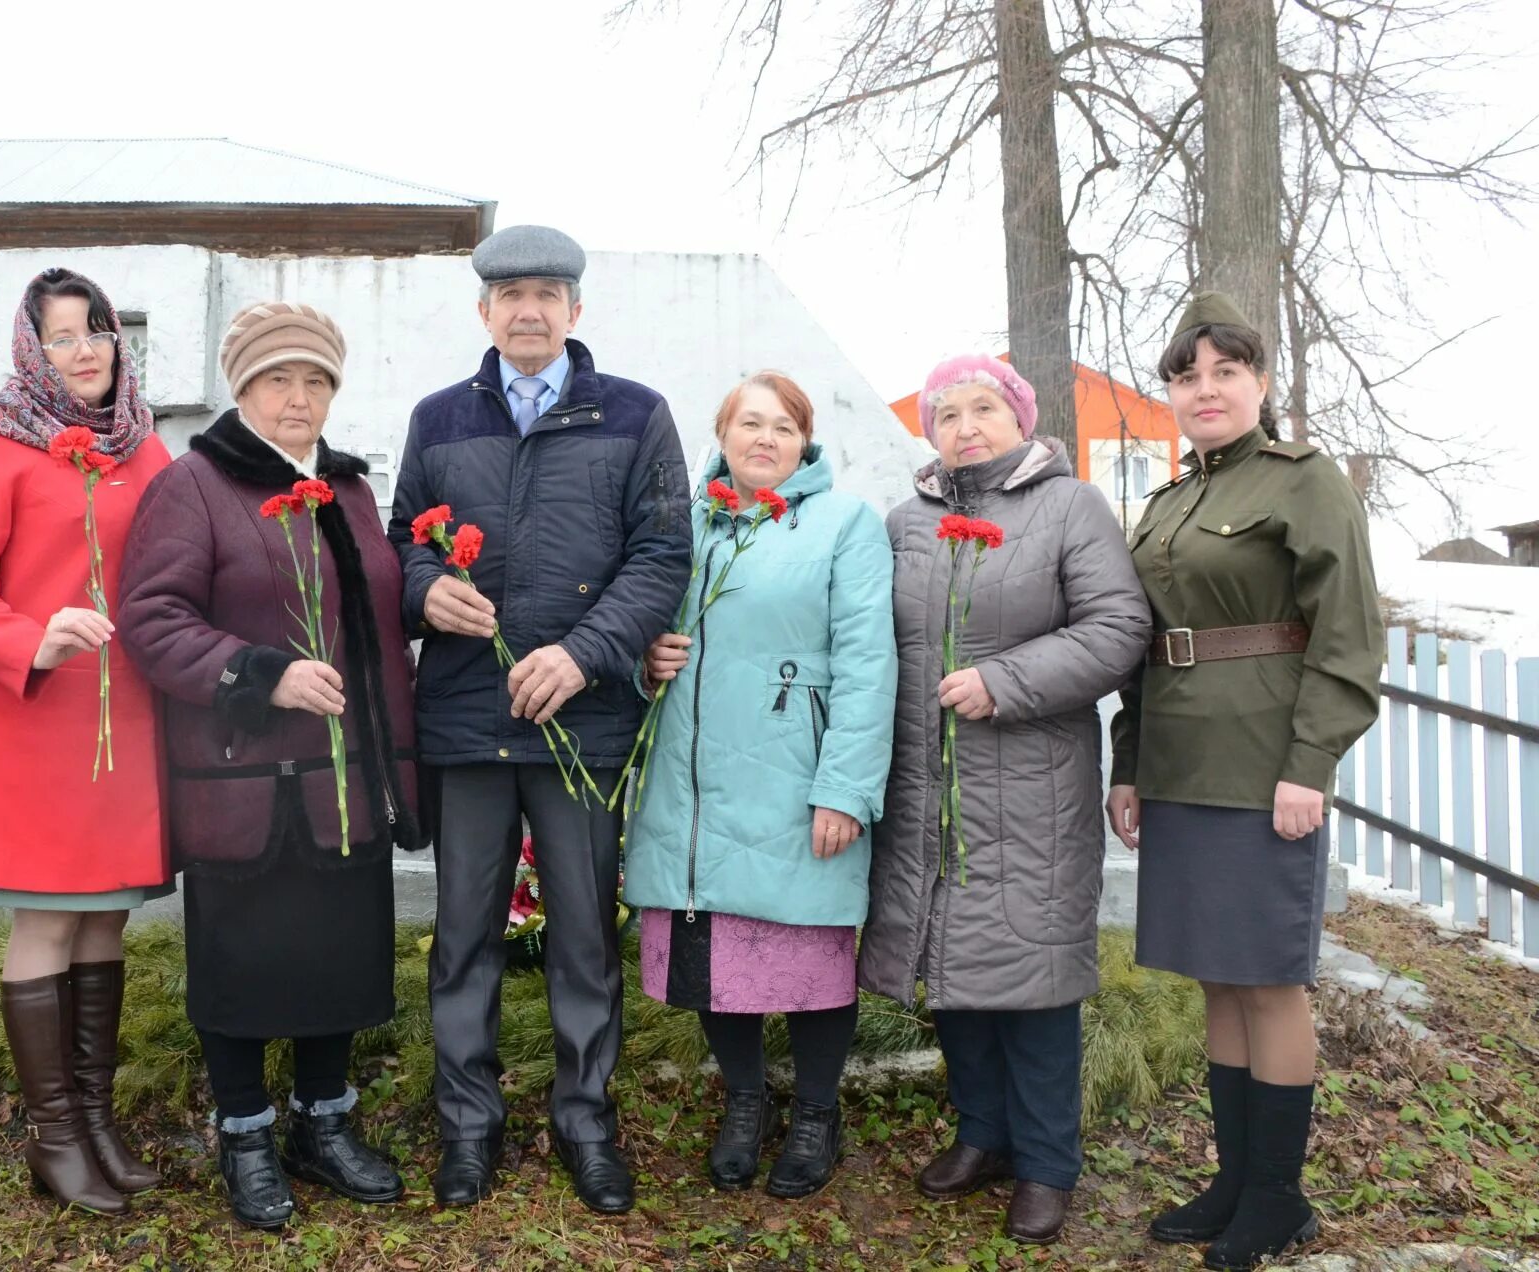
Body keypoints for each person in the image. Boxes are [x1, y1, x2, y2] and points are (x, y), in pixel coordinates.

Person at [389, 225, 691, 1213]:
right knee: (465, 936)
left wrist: (583, 653)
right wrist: (427, 591)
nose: (529, 308)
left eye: (548, 293)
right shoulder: (438, 420)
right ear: (483, 311)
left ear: (576, 310)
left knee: (583, 941)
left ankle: (586, 1124)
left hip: (584, 726)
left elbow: (661, 559)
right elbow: (402, 544)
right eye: (510, 292)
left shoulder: (637, 417)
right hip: (470, 724)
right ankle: (467, 1130)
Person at [118, 302, 424, 1230]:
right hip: (245, 780)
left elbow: (374, 610)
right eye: (277, 379)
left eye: (316, 380)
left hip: (345, 781)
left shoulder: (350, 490)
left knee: (337, 958)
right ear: (241, 388)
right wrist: (264, 674)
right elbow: (154, 619)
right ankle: (245, 1134)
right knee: (243, 966)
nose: (299, 398)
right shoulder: (198, 484)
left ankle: (323, 1127)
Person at [1107, 294, 1382, 1271]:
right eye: (1187, 375)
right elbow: (1144, 645)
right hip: (1181, 766)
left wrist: (1309, 766)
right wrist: (1130, 766)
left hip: (1266, 768)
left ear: (1259, 382)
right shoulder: (1170, 502)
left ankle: (1278, 1196)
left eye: (1226, 371)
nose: (1206, 389)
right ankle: (1234, 1180)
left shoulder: (1304, 484)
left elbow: (1346, 637)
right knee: (1221, 978)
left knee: (1269, 979)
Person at [857, 354, 1151, 1244]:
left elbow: (1118, 627)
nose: (966, 426)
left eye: (984, 408)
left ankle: (1049, 1162)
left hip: (1031, 787)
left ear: (1021, 418)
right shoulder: (908, 521)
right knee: (953, 974)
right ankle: (983, 1133)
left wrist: (1005, 679)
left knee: (1031, 978)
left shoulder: (1069, 508)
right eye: (946, 413)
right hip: (927, 788)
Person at [0, 268, 170, 1215]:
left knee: (107, 917)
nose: (84, 352)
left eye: (97, 332)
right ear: (33, 350)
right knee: (49, 922)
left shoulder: (146, 450)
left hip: (130, 719)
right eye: (62, 336)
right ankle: (55, 1138)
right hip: (35, 718)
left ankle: (98, 1122)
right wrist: (33, 636)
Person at [623, 371, 896, 1198]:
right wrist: (645, 660)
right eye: (750, 423)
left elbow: (867, 660)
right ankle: (745, 1100)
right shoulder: (686, 522)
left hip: (793, 771)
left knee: (809, 947)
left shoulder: (844, 523)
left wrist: (844, 788)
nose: (765, 439)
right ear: (724, 431)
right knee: (713, 948)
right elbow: (642, 616)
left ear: (805, 440)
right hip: (694, 772)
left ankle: (816, 1110)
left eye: (784, 426)